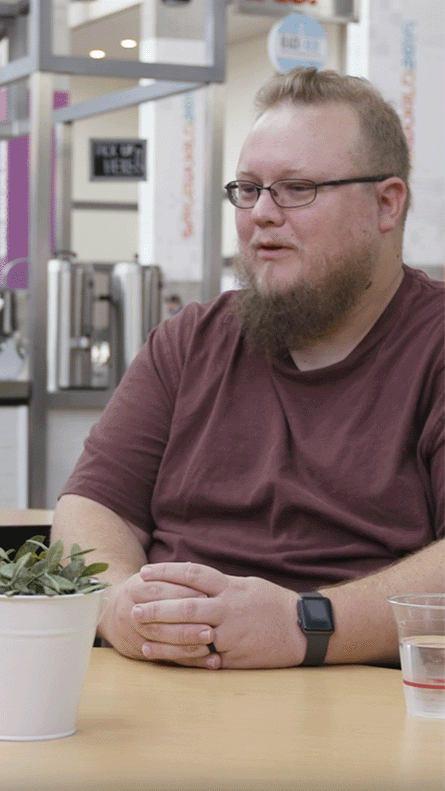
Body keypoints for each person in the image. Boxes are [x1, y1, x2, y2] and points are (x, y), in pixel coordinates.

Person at [52, 68, 444, 671]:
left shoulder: (434, 346)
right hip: (158, 691)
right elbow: (92, 509)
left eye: (297, 188)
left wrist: (305, 624)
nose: (262, 213)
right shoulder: (190, 341)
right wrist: (114, 606)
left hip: (357, 705)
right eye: (249, 188)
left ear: (386, 204)